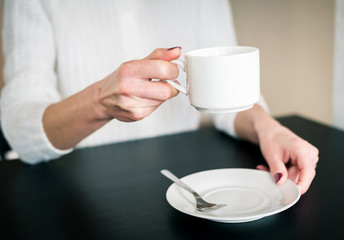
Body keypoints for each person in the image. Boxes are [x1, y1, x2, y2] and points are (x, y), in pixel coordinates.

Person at [1, 0, 318, 194]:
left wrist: (270, 129)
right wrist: (99, 100)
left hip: (191, 185)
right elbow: (19, 129)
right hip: (75, 188)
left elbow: (223, 96)